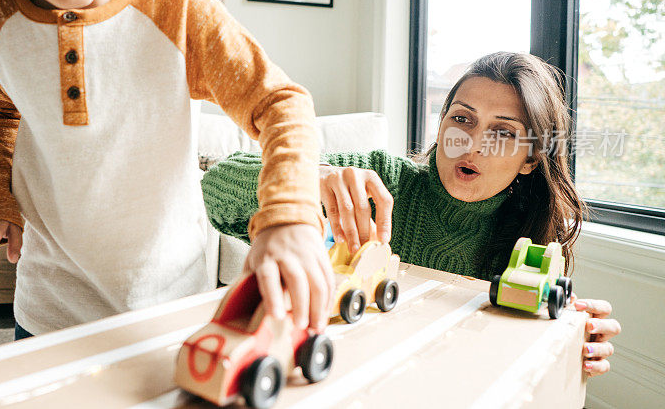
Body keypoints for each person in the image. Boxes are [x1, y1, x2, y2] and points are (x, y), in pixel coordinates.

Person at [0, 0, 334, 340]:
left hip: (170, 302)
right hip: (47, 307)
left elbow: (280, 103)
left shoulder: (179, 7)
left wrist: (287, 217)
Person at [202, 52, 621, 376]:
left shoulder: (534, 235)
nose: (471, 144)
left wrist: (573, 345)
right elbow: (214, 188)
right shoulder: (382, 180)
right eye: (462, 119)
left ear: (531, 159)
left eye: (503, 132)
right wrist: (308, 177)